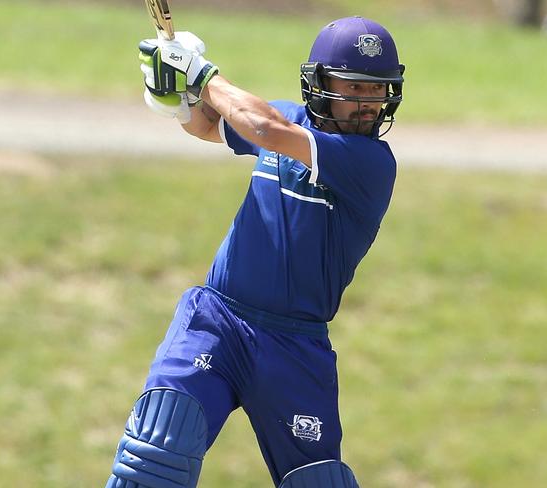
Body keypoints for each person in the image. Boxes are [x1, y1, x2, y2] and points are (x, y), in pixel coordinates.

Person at [105, 15, 405, 488]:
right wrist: (176, 97)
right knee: (157, 453)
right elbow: (208, 127)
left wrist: (199, 73)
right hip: (218, 321)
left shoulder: (370, 164)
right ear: (321, 83)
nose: (369, 104)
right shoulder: (290, 118)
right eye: (355, 88)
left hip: (296, 345)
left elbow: (263, 128)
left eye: (378, 91)